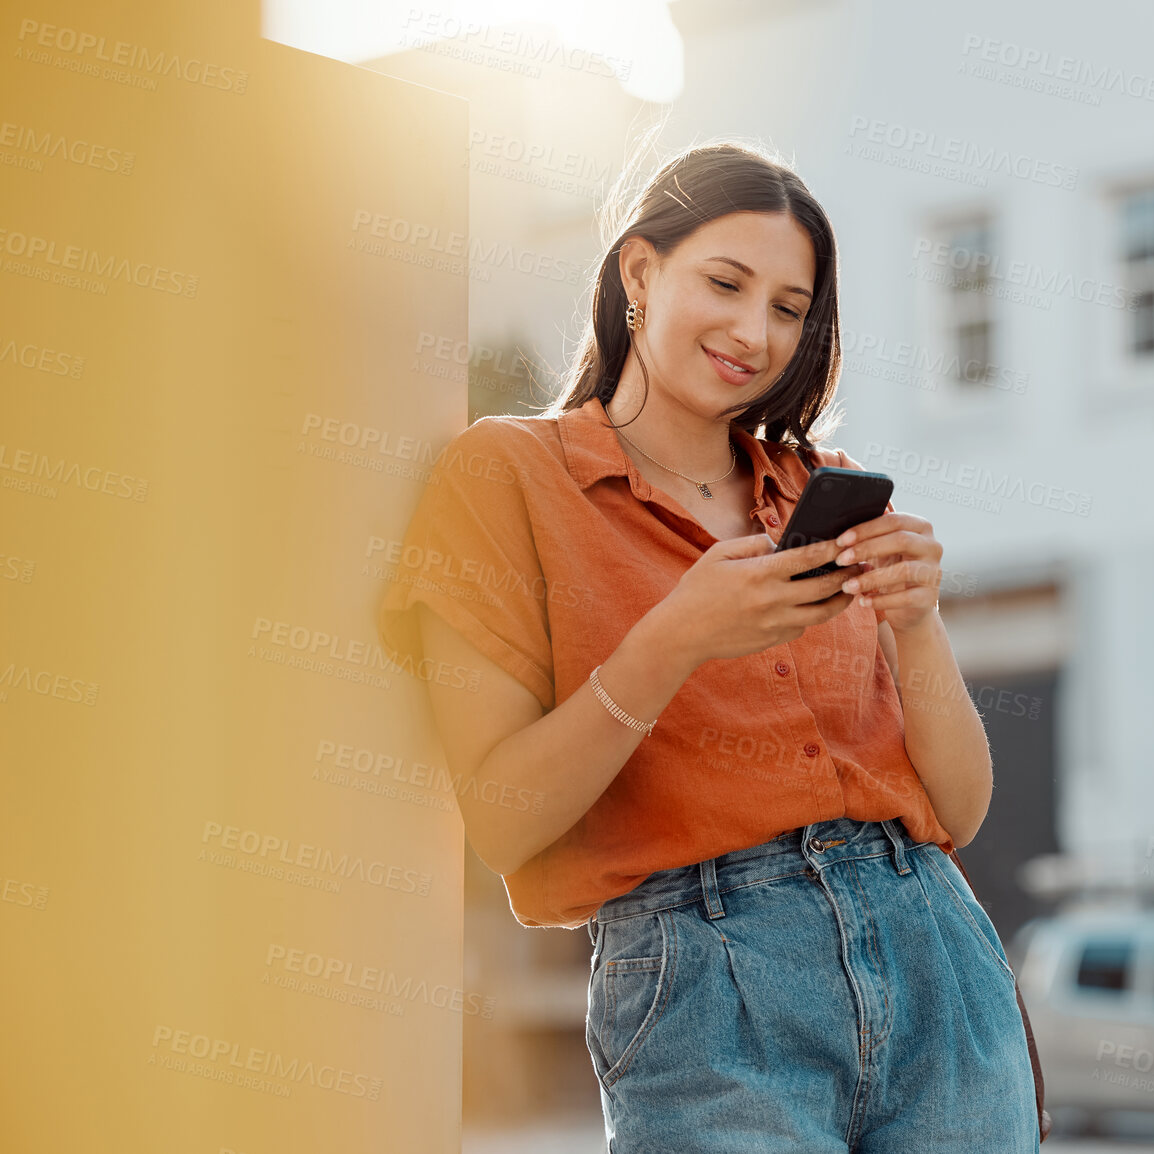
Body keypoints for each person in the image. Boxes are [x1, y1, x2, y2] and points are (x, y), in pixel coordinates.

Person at [376, 140, 1040, 1151]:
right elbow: (501, 820)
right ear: (639, 272)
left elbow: (960, 808)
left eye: (789, 306)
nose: (754, 331)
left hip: (933, 953)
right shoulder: (506, 475)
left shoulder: (822, 485)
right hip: (706, 985)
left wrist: (918, 621)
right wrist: (672, 640)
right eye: (725, 283)